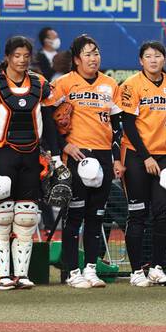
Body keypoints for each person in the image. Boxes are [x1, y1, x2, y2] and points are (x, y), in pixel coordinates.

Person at [0, 35, 56, 290]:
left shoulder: (40, 83)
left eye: (26, 56)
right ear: (8, 57)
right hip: (3, 154)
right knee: (2, 216)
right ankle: (2, 275)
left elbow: (51, 120)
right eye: (17, 55)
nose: (22, 60)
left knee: (26, 217)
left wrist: (54, 156)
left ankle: (21, 274)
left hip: (31, 155)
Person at [47, 34, 123, 288]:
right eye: (88, 54)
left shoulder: (110, 84)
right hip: (77, 156)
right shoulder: (64, 84)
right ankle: (72, 272)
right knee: (74, 216)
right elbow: (48, 118)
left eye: (96, 53)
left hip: (102, 155)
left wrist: (116, 158)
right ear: (77, 59)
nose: (94, 58)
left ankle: (90, 268)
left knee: (96, 215)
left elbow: (118, 126)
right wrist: (63, 145)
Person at [119, 41, 166, 287]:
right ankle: (136, 271)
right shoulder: (131, 85)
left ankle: (157, 267)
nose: (153, 60)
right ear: (141, 60)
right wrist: (145, 156)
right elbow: (128, 123)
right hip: (137, 155)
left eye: (158, 56)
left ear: (164, 60)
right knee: (137, 215)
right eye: (148, 56)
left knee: (164, 213)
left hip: (164, 158)